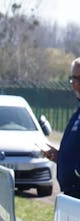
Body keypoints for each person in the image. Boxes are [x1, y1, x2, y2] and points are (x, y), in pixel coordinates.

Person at [45, 57, 80, 197]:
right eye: (74, 79)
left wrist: (76, 171)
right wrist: (60, 157)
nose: (76, 84)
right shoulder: (77, 113)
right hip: (70, 196)